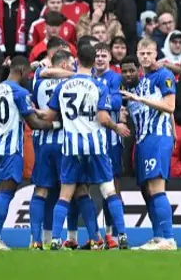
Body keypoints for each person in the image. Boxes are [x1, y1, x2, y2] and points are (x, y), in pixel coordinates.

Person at [43, 45, 130, 251]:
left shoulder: (62, 86)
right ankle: (123, 235)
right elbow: (102, 117)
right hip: (96, 145)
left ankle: (56, 238)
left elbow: (49, 116)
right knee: (109, 191)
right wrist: (116, 126)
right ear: (93, 62)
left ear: (76, 61)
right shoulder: (98, 86)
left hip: (71, 146)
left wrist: (32, 111)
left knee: (65, 194)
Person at [0, 56, 54, 250]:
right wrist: (55, 124)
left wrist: (32, 64)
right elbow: (33, 122)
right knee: (6, 194)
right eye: (26, 72)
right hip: (11, 148)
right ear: (20, 70)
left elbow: (19, 72)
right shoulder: (20, 92)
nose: (28, 76)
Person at [120, 39, 177, 251]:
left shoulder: (164, 75)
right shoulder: (143, 80)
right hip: (143, 141)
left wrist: (139, 99)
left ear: (156, 54)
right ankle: (157, 236)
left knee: (156, 187)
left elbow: (170, 106)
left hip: (157, 138)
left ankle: (168, 239)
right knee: (147, 190)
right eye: (141, 53)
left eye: (149, 53)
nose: (145, 57)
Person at [28, 48, 74, 249]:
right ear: (64, 65)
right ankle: (58, 237)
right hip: (65, 141)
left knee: (41, 190)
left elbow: (40, 71)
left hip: (42, 141)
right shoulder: (71, 82)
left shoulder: (37, 76)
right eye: (71, 63)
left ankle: (36, 240)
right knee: (67, 190)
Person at [94, 42, 125, 249]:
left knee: (113, 187)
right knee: (86, 187)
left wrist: (94, 98)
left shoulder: (115, 77)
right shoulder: (85, 74)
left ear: (110, 59)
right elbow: (111, 101)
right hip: (92, 138)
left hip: (111, 140)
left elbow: (116, 102)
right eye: (97, 55)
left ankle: (112, 232)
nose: (100, 59)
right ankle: (94, 235)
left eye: (104, 56)